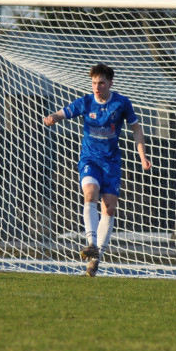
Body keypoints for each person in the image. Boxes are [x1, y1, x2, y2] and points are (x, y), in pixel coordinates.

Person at [43, 63, 152, 276]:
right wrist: (52, 118)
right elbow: (62, 113)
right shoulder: (86, 102)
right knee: (90, 194)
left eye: (101, 83)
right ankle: (91, 243)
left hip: (111, 162)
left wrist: (143, 157)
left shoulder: (121, 103)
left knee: (109, 209)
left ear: (110, 83)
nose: (97, 87)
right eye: (94, 82)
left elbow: (136, 129)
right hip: (90, 159)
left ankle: (95, 259)